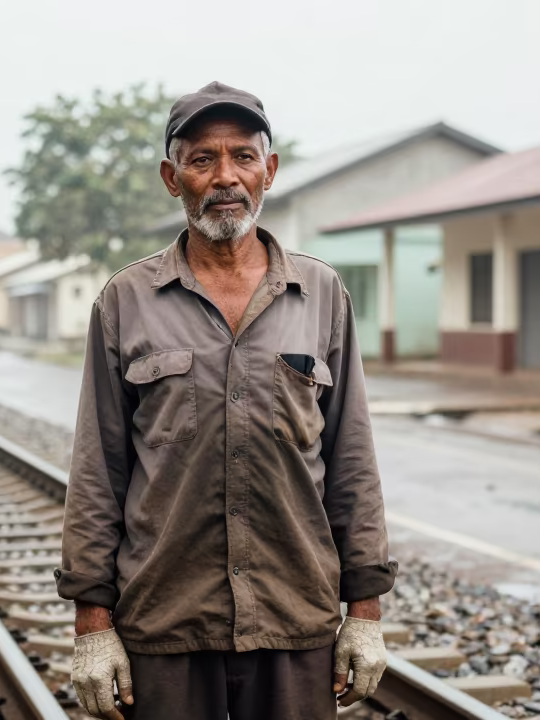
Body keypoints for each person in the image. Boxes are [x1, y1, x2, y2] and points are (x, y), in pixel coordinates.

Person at [57, 82, 396, 720]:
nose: (225, 178)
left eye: (243, 157)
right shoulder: (125, 300)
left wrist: (366, 611)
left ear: (269, 170)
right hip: (165, 620)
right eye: (202, 159)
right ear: (171, 176)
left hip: (295, 617)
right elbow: (97, 470)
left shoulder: (321, 293)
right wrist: (93, 627)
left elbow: (352, 459)